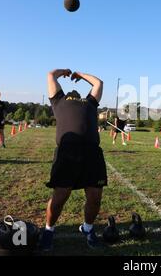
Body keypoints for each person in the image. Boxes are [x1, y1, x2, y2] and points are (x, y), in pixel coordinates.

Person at [39, 69, 106, 251]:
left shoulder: (90, 102)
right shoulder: (58, 100)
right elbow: (51, 75)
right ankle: (48, 231)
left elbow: (98, 83)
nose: (73, 93)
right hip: (67, 153)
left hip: (92, 154)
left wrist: (80, 74)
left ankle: (88, 229)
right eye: (71, 93)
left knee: (95, 197)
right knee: (60, 196)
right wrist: (66, 72)